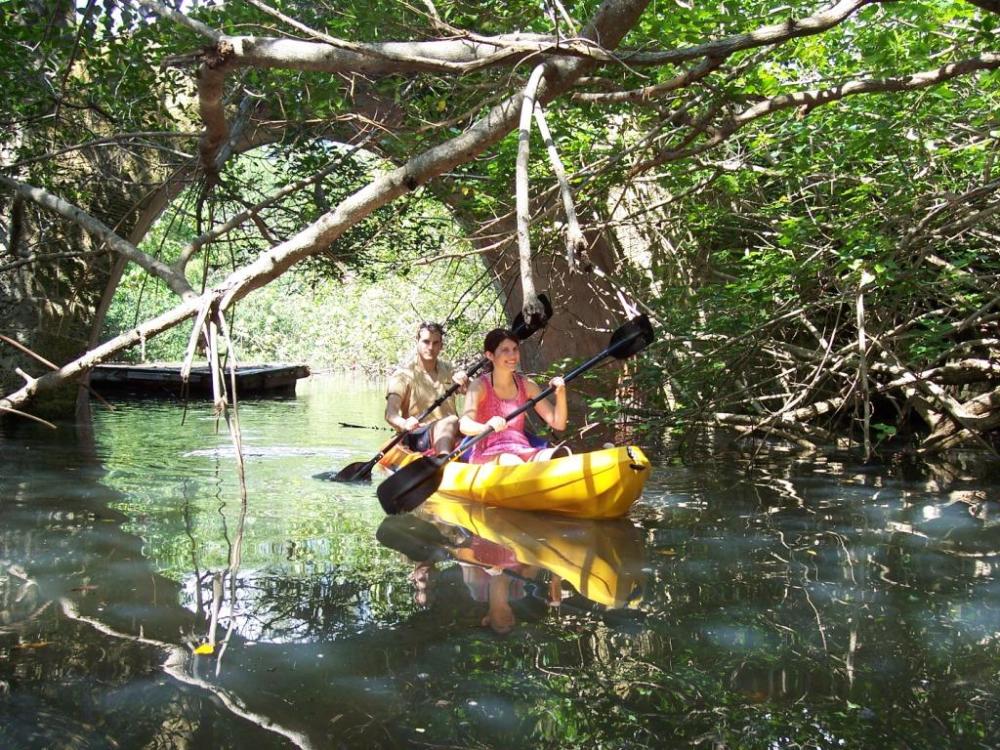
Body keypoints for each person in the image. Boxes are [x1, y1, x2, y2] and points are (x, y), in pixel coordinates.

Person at [459, 327, 568, 465]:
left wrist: (561, 394)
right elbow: (464, 425)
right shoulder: (479, 386)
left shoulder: (527, 385)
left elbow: (558, 423)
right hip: (489, 454)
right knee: (512, 461)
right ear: (490, 355)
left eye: (515, 349)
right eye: (505, 350)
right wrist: (486, 427)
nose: (512, 355)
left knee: (558, 457)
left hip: (522, 449)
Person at [385, 321, 469, 455]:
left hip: (452, 431)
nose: (431, 347)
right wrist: (404, 423)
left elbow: (474, 393)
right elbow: (390, 414)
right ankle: (442, 460)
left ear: (441, 346)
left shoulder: (449, 370)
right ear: (417, 341)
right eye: (426, 342)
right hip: (418, 435)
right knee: (451, 420)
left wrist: (467, 383)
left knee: (465, 423)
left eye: (436, 343)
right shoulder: (402, 376)